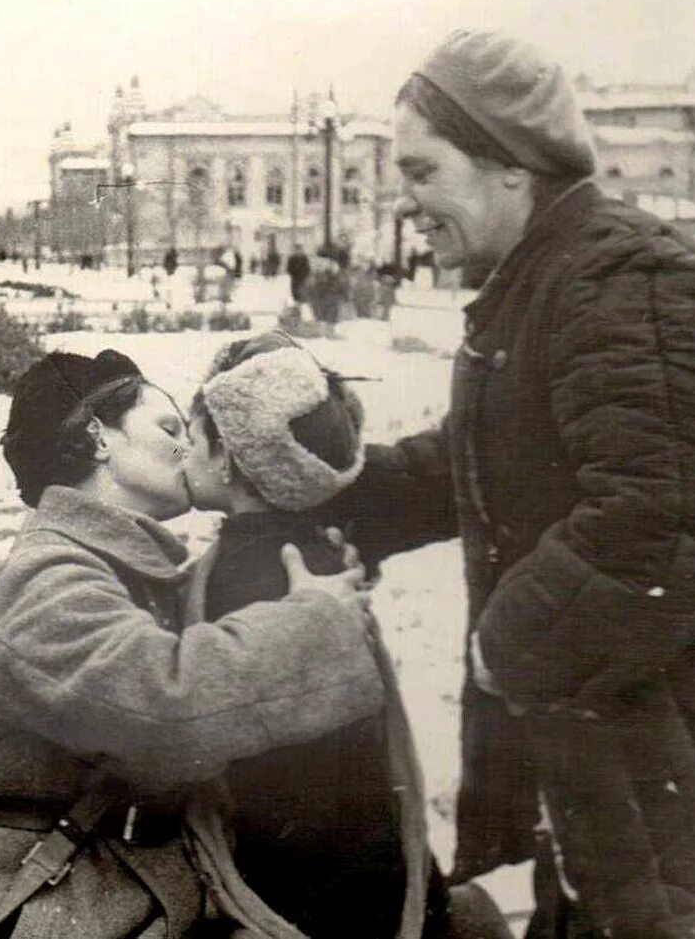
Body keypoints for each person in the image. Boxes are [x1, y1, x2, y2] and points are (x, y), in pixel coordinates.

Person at [321, 29, 695, 939]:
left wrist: (502, 647)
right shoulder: (550, 278)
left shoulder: (626, 278)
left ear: (512, 166)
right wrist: (340, 502)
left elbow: (659, 527)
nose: (405, 203)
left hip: (686, 782)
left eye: (422, 172)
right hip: (620, 765)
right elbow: (491, 455)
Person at [0, 350, 386, 939]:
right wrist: (314, 624)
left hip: (117, 889)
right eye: (168, 428)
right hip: (52, 904)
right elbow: (158, 706)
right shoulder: (46, 578)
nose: (186, 448)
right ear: (98, 438)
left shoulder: (113, 569)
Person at [184, 331, 512, 939]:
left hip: (314, 899)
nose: (183, 452)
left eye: (193, 437)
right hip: (382, 874)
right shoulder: (311, 547)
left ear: (228, 456)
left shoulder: (247, 572)